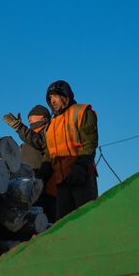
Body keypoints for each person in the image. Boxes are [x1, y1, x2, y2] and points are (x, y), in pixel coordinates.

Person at [41, 80, 98, 219]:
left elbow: (89, 143)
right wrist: (44, 170)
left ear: (65, 96)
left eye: (55, 96)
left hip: (81, 177)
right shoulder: (51, 125)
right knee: (64, 225)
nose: (52, 100)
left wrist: (81, 167)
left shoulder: (81, 112)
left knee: (87, 219)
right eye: (50, 98)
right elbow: (49, 152)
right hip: (61, 184)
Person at [3, 105, 56, 222]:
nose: (29, 119)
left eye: (32, 116)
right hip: (26, 184)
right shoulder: (29, 137)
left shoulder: (49, 131)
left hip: (42, 184)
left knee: (44, 219)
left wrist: (19, 127)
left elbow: (39, 142)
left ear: (43, 118)